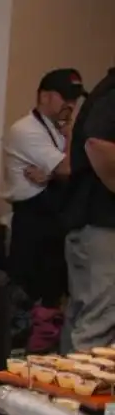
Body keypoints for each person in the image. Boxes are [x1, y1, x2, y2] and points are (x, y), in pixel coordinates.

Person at [1, 69, 86, 353]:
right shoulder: (26, 129)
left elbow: (70, 170)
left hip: (56, 218)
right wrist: (60, 170)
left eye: (75, 99)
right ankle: (19, 355)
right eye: (66, 98)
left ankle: (46, 354)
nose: (71, 106)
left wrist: (50, 174)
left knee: (54, 294)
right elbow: (69, 168)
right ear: (45, 96)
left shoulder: (57, 127)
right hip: (32, 220)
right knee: (27, 295)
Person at [61, 67, 115, 352]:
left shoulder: (102, 92)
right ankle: (82, 396)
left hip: (89, 225)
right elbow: (98, 144)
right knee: (99, 324)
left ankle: (64, 394)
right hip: (102, 227)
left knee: (82, 318)